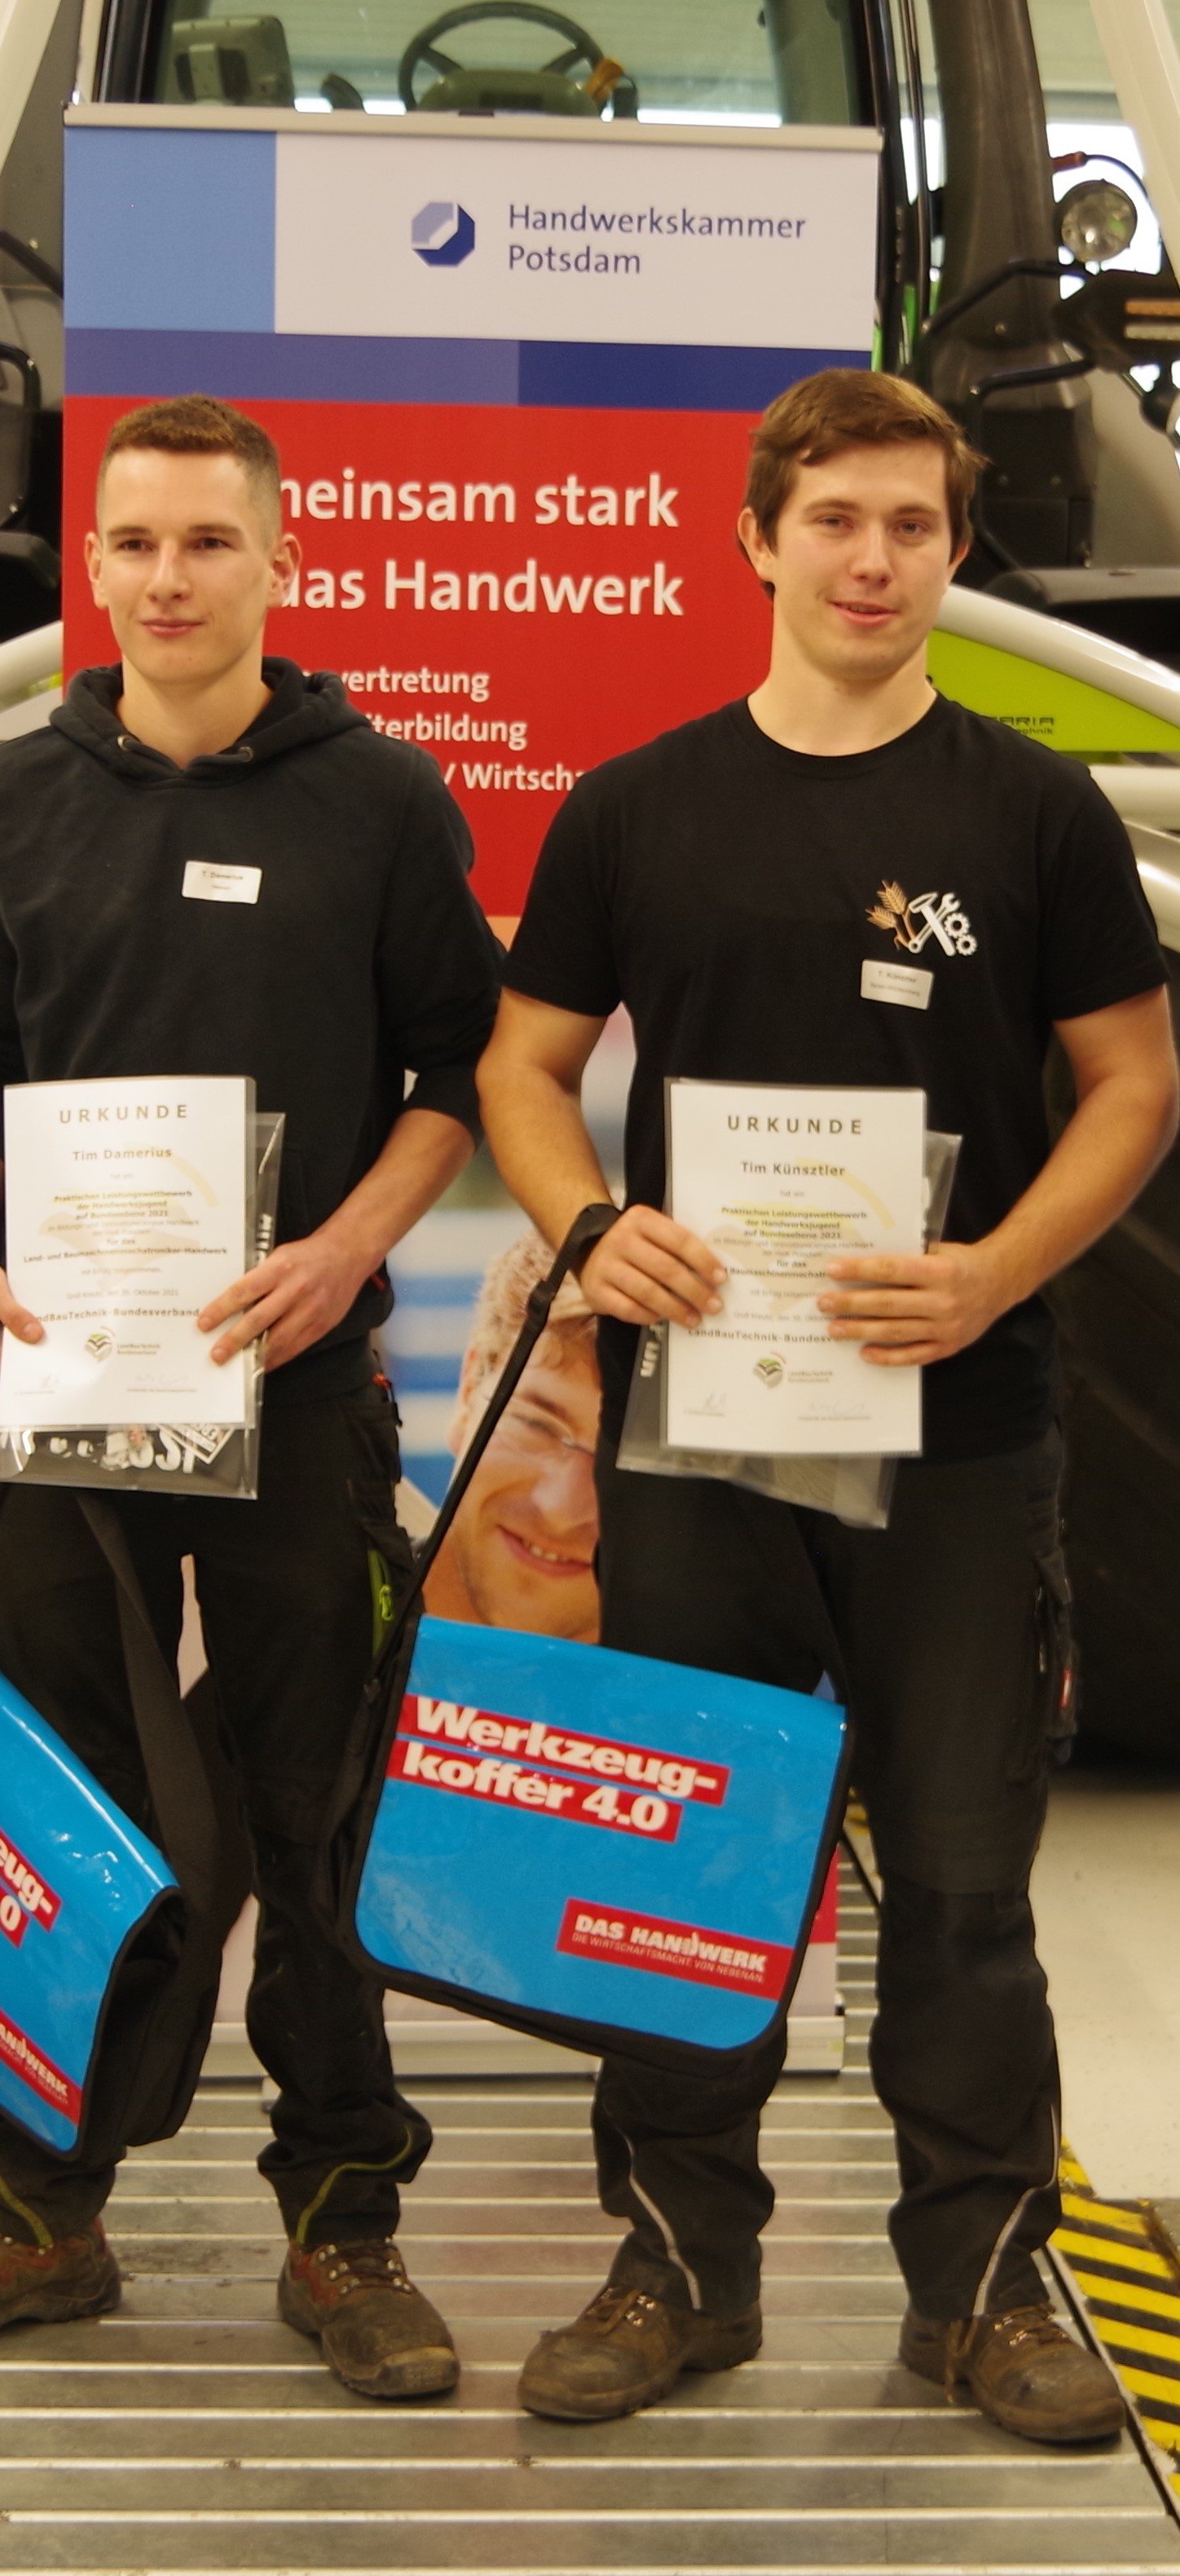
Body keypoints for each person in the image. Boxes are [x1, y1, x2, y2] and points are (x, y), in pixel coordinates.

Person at [478, 368, 1178, 2442]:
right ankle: (676, 2267)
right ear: (754, 539)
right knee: (683, 1867)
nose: (869, 560)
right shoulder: (631, 802)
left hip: (955, 1439)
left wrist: (988, 1270)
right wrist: (592, 1222)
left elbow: (1131, 1084)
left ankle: (976, 2284)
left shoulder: (1029, 809)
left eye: (910, 526)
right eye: (833, 521)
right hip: (699, 1434)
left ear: (954, 553)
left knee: (961, 1875)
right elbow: (521, 1069)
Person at [0, 394, 504, 2399]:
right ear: (93, 564)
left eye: (207, 542)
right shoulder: (13, 789)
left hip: (287, 1387)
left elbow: (452, 1071)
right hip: (69, 1393)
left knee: (313, 1806)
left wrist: (342, 1250)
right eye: (133, 544)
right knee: (56, 1802)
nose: (167, 578)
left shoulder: (374, 795)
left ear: (277, 562)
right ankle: (37, 2210)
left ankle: (343, 2222)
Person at [410, 1229, 601, 1641]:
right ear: (467, 1391)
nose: (561, 1511)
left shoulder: (726, 1694)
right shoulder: (300, 1631)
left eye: (618, 1465)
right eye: (537, 1425)